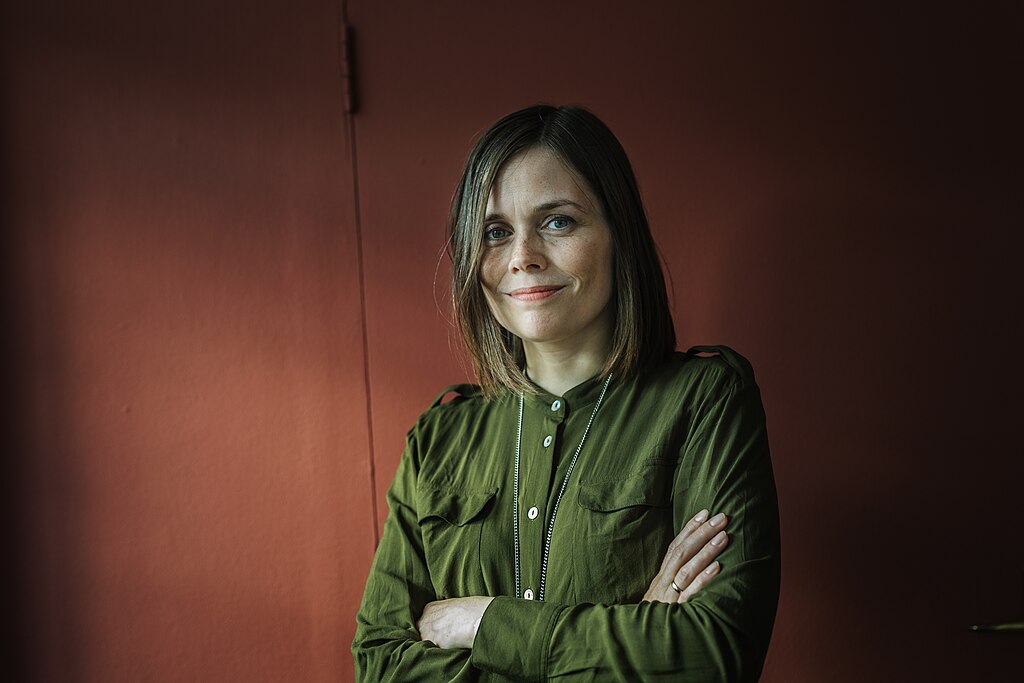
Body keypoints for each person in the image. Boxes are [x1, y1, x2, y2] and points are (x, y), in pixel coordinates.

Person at [352, 105, 780, 682]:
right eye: (495, 233)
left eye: (557, 222)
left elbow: (714, 654)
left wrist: (483, 624)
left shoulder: (705, 401)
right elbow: (379, 665)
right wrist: (635, 633)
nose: (522, 257)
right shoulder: (438, 439)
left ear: (618, 234)